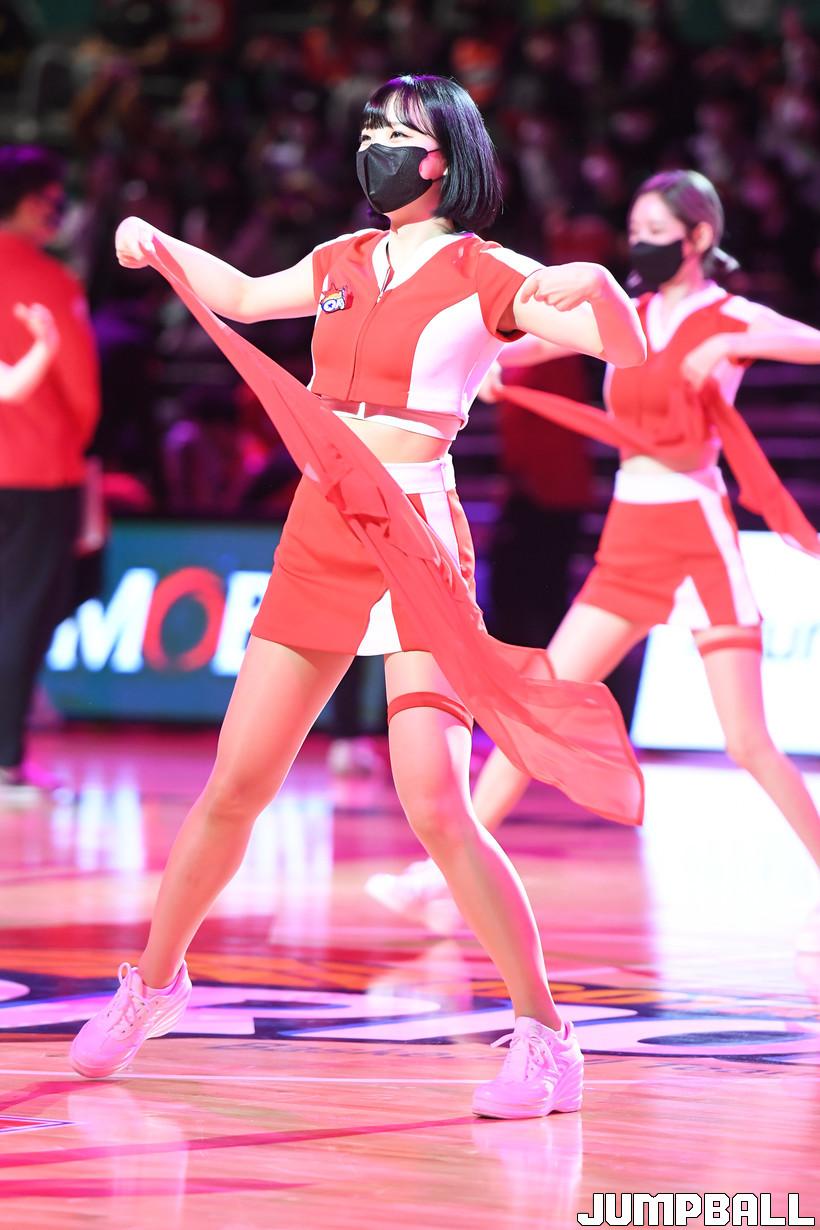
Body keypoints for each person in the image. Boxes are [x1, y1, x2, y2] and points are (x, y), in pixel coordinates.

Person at [69, 74, 646, 1119]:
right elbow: (246, 297)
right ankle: (153, 984)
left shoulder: (488, 271)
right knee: (235, 783)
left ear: (443, 158)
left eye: (397, 131)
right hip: (319, 529)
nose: (374, 142)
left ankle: (547, 1038)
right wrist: (158, 242)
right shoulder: (341, 258)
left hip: (416, 536)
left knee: (437, 804)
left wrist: (600, 284)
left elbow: (625, 350)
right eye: (370, 125)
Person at [372, 169, 820, 935]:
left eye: (656, 231)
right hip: (629, 538)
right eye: (635, 230)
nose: (640, 243)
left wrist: (729, 348)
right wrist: (489, 370)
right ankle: (441, 876)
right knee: (540, 707)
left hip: (698, 538)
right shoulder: (625, 315)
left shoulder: (730, 317)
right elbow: (520, 347)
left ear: (699, 237)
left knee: (747, 742)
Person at [0, 145, 101, 802]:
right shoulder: (50, 280)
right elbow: (81, 391)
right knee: (20, 614)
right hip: (36, 474)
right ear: (35, 200)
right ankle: (5, 761)